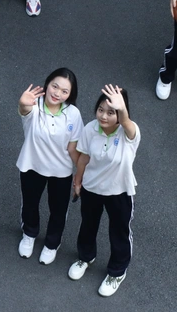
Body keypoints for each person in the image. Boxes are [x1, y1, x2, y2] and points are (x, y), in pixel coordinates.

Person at [69, 85, 139, 297]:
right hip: (92, 188)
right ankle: (85, 257)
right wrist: (78, 181)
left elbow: (127, 124)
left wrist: (122, 110)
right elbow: (84, 158)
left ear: (121, 113)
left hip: (119, 191)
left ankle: (117, 272)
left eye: (111, 112)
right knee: (88, 225)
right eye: (100, 110)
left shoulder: (128, 132)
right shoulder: (90, 129)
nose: (103, 116)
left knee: (119, 232)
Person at [15, 68, 83, 265]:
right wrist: (22, 103)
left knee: (58, 210)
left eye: (64, 91)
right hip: (32, 166)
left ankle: (52, 244)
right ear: (47, 83)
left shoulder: (73, 114)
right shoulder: (34, 104)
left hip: (61, 172)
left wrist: (79, 176)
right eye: (55, 86)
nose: (57, 93)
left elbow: (73, 148)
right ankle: (29, 234)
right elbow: (24, 111)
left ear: (70, 95)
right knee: (30, 203)